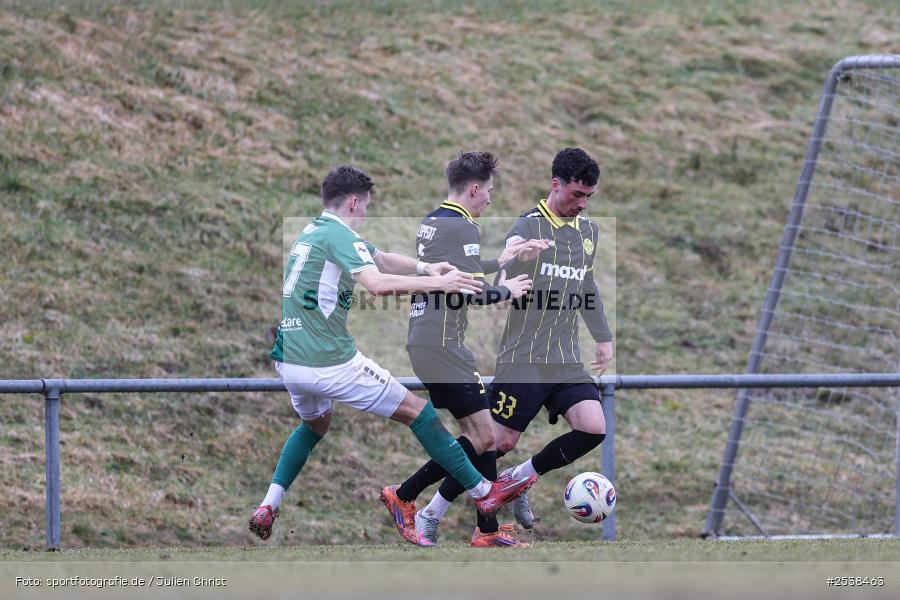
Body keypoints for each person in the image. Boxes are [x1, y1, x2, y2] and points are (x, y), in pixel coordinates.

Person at [248, 165, 536, 540]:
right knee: (420, 413)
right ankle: (483, 492)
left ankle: (268, 504)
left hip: (289, 360)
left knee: (314, 425)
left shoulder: (314, 231)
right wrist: (441, 283)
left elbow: (380, 258)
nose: (365, 214)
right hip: (328, 360)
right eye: (366, 207)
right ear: (354, 202)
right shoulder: (340, 235)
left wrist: (426, 267)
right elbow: (378, 284)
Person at [416, 147, 614, 539]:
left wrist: (602, 336)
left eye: (589, 196)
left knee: (593, 428)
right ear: (555, 184)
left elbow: (587, 285)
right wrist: (515, 264)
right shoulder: (527, 226)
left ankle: (517, 479)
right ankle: (431, 510)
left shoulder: (589, 232)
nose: (583, 203)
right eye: (577, 194)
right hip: (524, 357)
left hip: (564, 358)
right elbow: (498, 278)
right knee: (495, 441)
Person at [379, 152, 548, 548]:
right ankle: (406, 494)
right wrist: (507, 290)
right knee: (484, 435)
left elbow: (458, 270)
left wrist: (501, 259)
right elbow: (468, 289)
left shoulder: (435, 220)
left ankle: (486, 530)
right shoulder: (464, 225)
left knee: (482, 434)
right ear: (474, 189)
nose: (489, 198)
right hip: (443, 345)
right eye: (488, 191)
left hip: (426, 341)